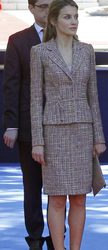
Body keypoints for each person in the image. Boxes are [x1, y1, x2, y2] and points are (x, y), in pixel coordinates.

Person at [30, 0, 106, 249]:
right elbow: (35, 100)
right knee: (57, 198)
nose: (73, 21)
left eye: (75, 16)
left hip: (83, 131)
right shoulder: (39, 52)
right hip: (53, 133)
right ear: (53, 20)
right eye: (67, 17)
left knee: (79, 198)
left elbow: (93, 96)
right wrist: (38, 141)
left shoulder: (87, 50)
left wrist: (99, 137)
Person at [2, 0, 54, 249]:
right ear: (31, 9)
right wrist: (11, 124)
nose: (48, 11)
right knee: (32, 185)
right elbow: (11, 85)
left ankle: (58, 235)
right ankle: (35, 235)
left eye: (51, 5)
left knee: (60, 184)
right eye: (43, 6)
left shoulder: (66, 34)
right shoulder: (18, 40)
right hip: (28, 125)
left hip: (60, 126)